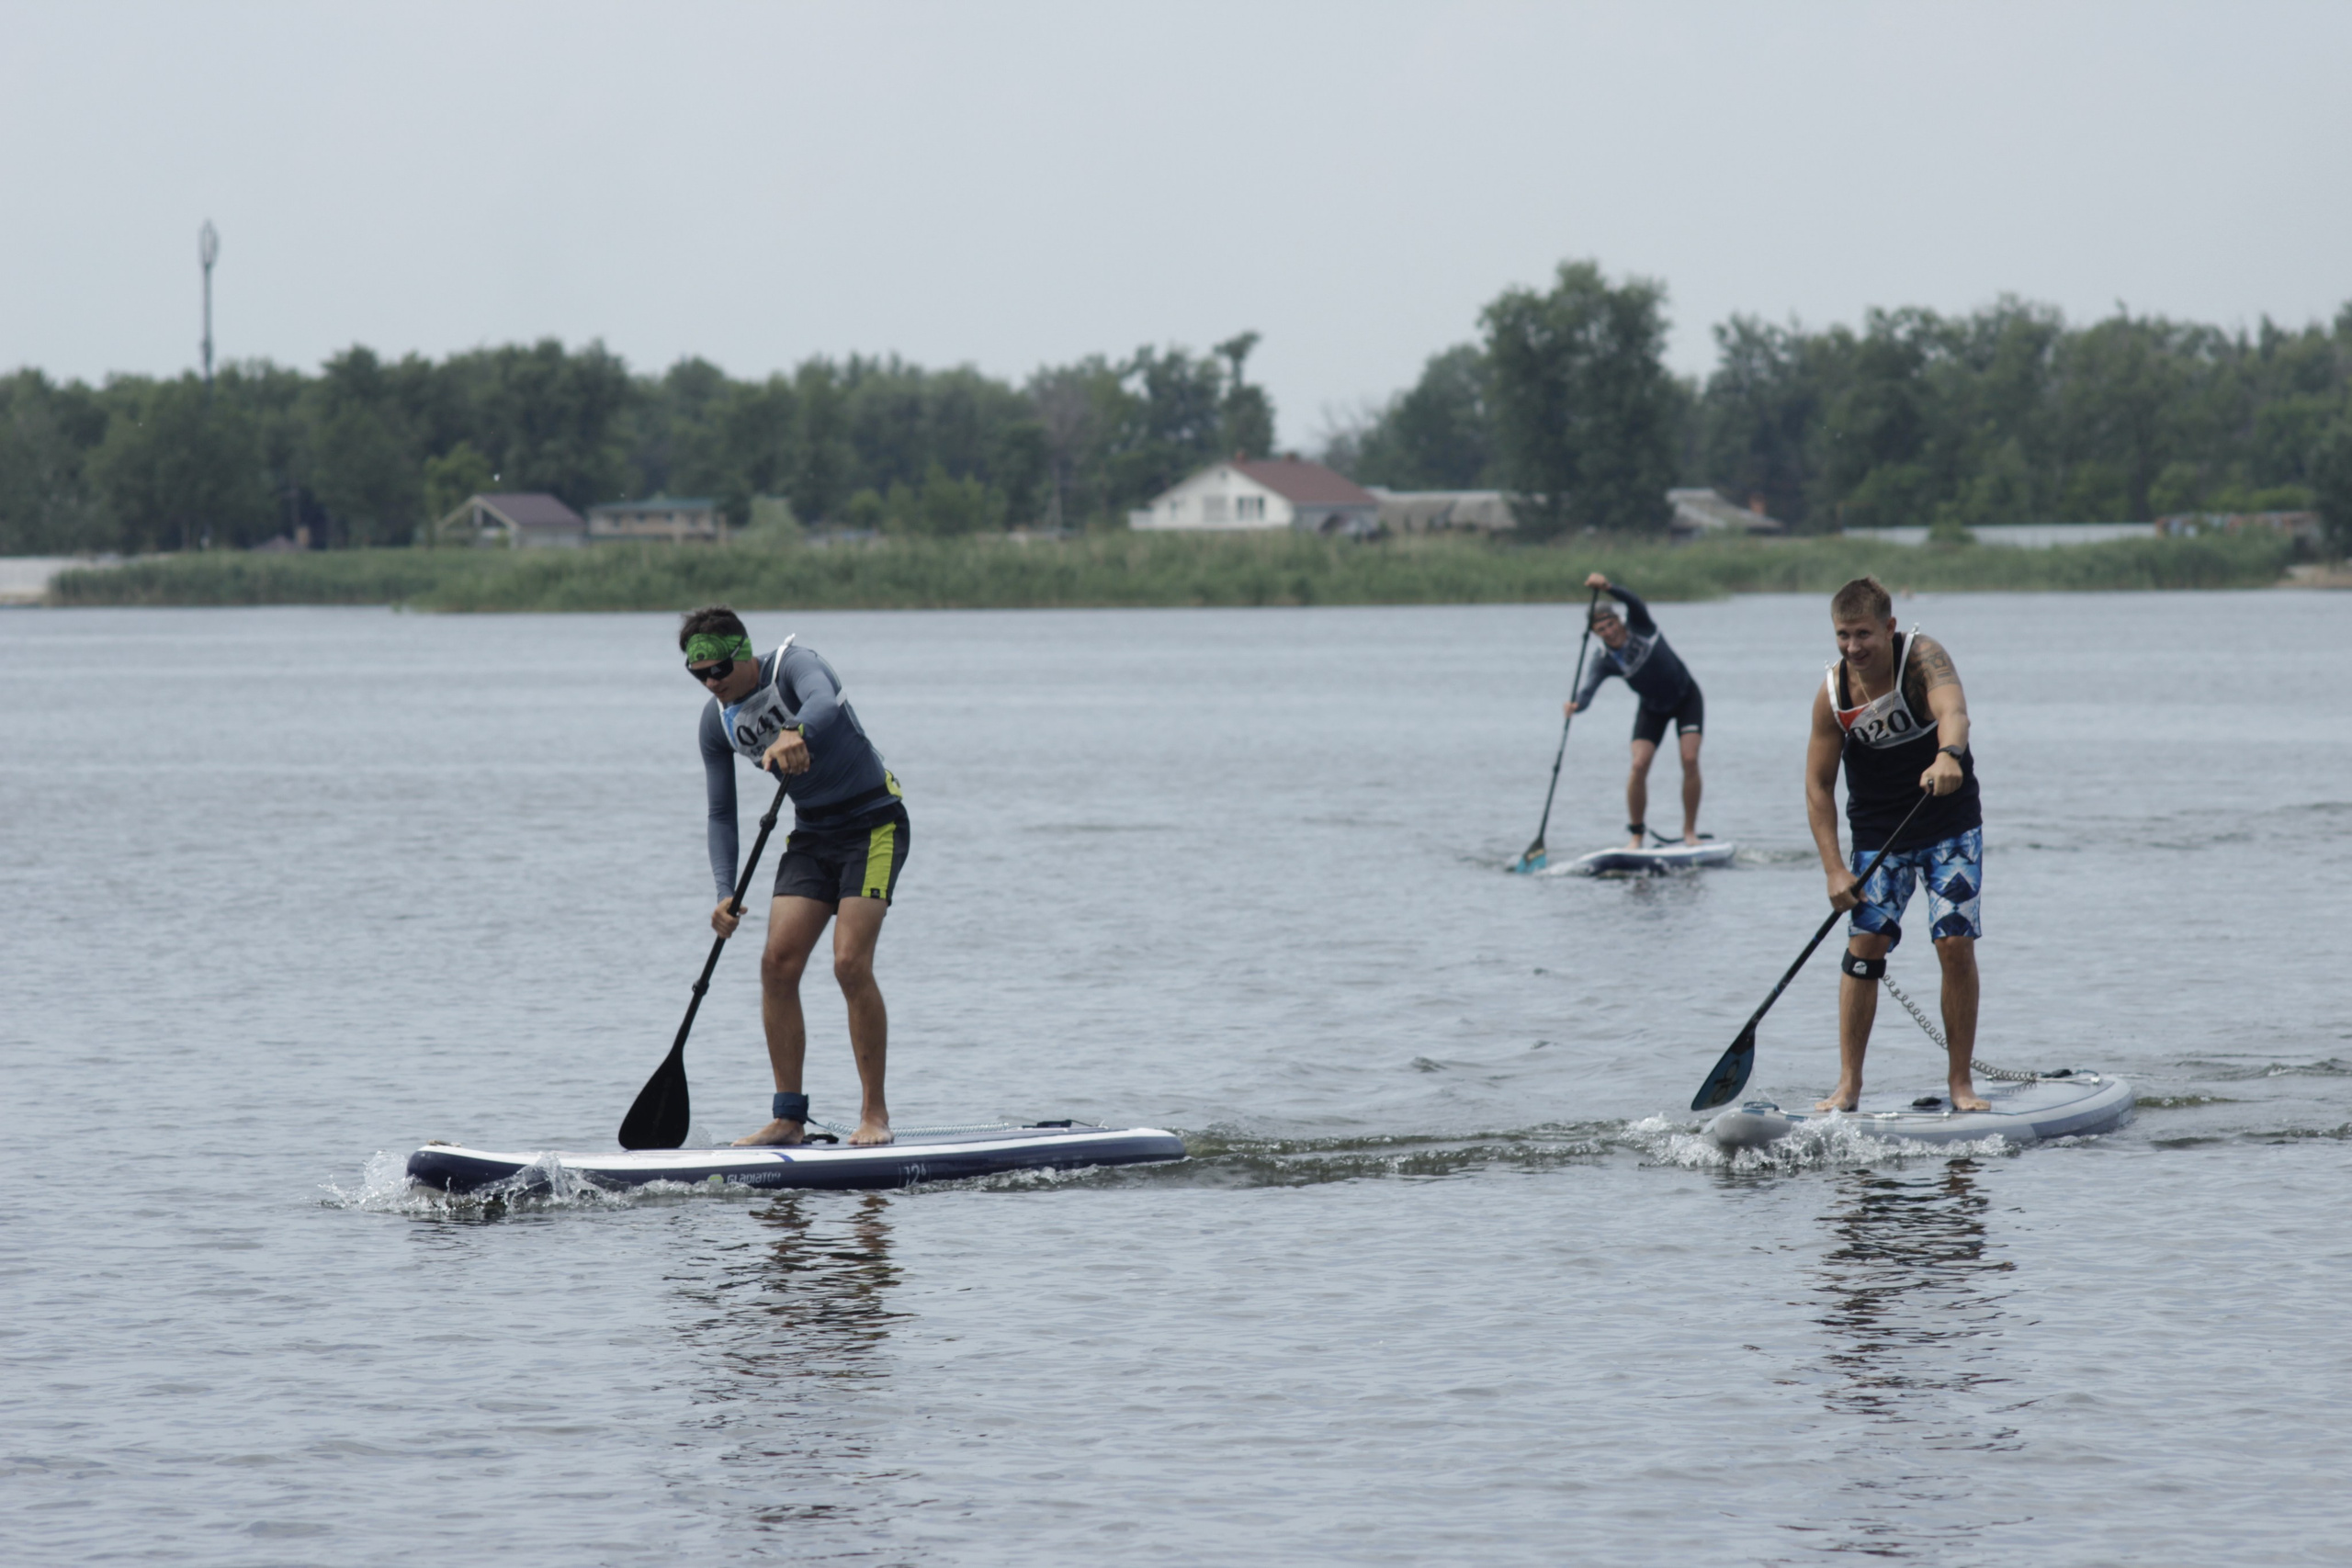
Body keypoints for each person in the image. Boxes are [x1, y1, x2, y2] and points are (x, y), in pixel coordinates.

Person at [681, 605, 907, 1146]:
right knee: (776, 965)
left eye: (720, 670)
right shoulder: (717, 723)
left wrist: (794, 730)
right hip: (812, 836)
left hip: (874, 823)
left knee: (849, 964)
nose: (712, 684)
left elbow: (824, 703)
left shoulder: (794, 664)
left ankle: (874, 1115)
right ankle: (788, 1119)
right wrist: (725, 890)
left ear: (744, 653)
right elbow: (720, 814)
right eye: (698, 675)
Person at [1804, 575, 1984, 1114]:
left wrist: (1948, 753)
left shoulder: (1922, 658)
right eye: (1842, 635)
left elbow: (1954, 710)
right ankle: (1848, 1087)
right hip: (1879, 834)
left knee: (1953, 943)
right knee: (1865, 950)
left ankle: (1960, 1083)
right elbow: (1817, 787)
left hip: (1949, 824)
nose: (1853, 647)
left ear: (1889, 627)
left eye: (1863, 634)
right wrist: (1835, 870)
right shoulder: (1833, 693)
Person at [1562, 571, 1706, 848]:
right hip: (1652, 708)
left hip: (1686, 697)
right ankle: (1636, 834)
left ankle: (1690, 832)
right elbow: (1588, 690)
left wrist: (1608, 588)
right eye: (1601, 629)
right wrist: (1576, 706)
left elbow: (1634, 602)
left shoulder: (1640, 625)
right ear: (1595, 634)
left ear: (1618, 621)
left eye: (1611, 624)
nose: (1609, 632)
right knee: (1639, 765)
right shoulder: (1604, 661)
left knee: (1689, 759)